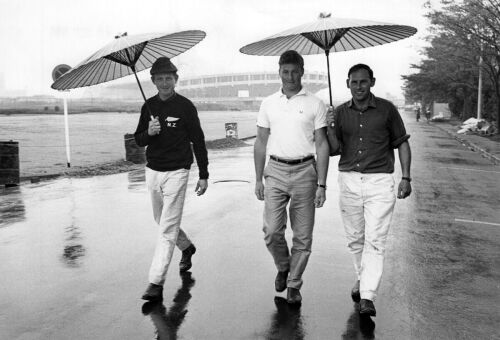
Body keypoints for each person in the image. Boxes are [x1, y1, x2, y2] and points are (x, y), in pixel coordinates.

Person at [326, 64, 412, 316]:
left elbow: (402, 144)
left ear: (372, 82)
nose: (359, 86)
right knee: (355, 239)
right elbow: (334, 150)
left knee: (375, 239)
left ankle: (368, 296)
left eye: (364, 82)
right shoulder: (340, 112)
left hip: (380, 182)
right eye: (354, 82)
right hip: (349, 180)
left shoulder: (387, 110)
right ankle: (363, 279)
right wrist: (331, 128)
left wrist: (406, 177)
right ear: (347, 83)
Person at [254, 50, 330, 305]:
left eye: (294, 71)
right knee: (272, 231)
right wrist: (257, 179)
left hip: (305, 172)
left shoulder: (316, 103)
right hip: (275, 170)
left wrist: (322, 184)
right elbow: (261, 142)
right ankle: (284, 266)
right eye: (285, 71)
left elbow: (322, 145)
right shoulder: (268, 103)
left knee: (303, 235)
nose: (290, 76)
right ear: (279, 72)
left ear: (302, 72)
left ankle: (294, 284)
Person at [134, 57, 209, 301]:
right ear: (153, 81)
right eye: (160, 78)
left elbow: (198, 140)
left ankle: (155, 283)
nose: (164, 82)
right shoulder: (148, 107)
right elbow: (138, 139)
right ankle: (186, 246)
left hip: (178, 171)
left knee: (167, 227)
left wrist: (204, 174)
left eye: (169, 78)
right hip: (153, 170)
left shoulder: (186, 107)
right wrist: (150, 132)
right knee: (160, 219)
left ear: (176, 80)